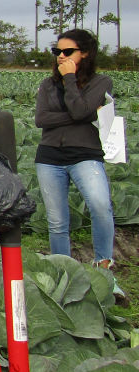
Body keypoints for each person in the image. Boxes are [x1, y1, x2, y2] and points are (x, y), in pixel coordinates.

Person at [34, 28, 122, 297]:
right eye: (57, 51)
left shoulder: (101, 82)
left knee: (100, 206)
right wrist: (80, 114)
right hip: (49, 156)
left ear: (85, 53)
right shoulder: (48, 85)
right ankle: (65, 274)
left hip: (85, 154)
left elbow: (80, 110)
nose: (61, 56)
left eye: (67, 52)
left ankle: (104, 271)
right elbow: (42, 120)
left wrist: (70, 79)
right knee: (58, 221)